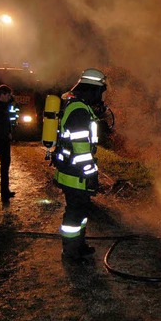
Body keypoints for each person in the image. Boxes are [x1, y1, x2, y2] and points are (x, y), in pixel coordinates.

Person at [52, 68, 107, 261]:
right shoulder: (79, 110)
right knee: (75, 212)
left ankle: (79, 245)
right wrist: (90, 173)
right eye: (100, 92)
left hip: (72, 170)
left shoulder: (77, 106)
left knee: (81, 210)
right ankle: (70, 251)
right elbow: (81, 146)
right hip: (76, 172)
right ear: (92, 90)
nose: (101, 97)